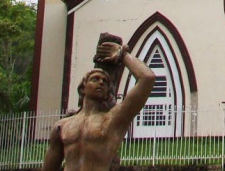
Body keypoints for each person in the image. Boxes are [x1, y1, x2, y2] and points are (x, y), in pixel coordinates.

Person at [42, 41, 155, 171]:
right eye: (95, 79)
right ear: (83, 88)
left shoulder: (112, 120)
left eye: (105, 82)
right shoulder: (62, 126)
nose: (101, 83)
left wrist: (123, 54)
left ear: (108, 92)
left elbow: (147, 78)